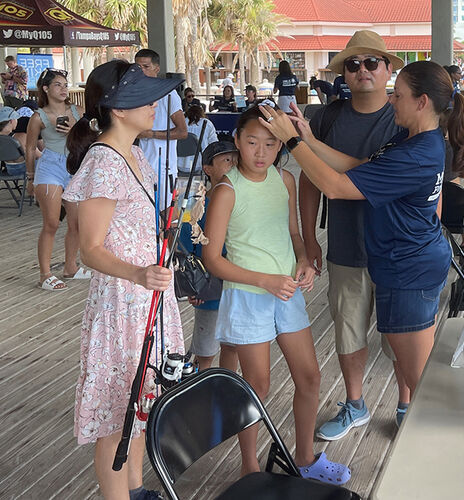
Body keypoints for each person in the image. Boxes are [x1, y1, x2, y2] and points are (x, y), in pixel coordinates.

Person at [264, 59, 464, 426]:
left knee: (419, 381)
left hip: (409, 268)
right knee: (413, 368)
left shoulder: (419, 152)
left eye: (399, 94)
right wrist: (312, 141)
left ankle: (441, 444)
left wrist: (293, 142)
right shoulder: (410, 137)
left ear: (422, 101)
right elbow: (359, 165)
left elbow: (335, 187)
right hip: (403, 263)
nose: (392, 100)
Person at [203, 106, 350, 484]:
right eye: (252, 142)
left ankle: (304, 458)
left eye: (270, 143)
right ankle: (249, 467)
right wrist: (264, 280)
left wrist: (303, 261)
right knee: (258, 386)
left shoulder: (284, 179)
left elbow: (295, 235)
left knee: (311, 377)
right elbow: (212, 260)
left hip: (286, 293)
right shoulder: (226, 189)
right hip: (249, 296)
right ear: (236, 141)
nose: (261, 152)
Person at [63, 59, 185, 500]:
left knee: (140, 403)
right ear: (116, 107)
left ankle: (135, 490)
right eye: (142, 97)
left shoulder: (135, 152)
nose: (154, 104)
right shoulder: (105, 160)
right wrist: (138, 272)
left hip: (147, 295)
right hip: (122, 302)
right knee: (116, 414)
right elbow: (90, 248)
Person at [298, 30, 410, 438]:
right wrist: (309, 239)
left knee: (400, 330)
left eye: (371, 63)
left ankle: (406, 403)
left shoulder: (404, 116)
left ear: (388, 70)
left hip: (398, 245)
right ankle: (355, 402)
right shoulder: (326, 117)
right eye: (352, 64)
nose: (362, 70)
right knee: (348, 326)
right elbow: (310, 180)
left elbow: (404, 175)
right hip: (346, 241)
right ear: (343, 73)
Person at [25, 68, 88, 291]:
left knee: (77, 222)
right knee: (51, 222)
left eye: (64, 84)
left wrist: (74, 130)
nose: (63, 89)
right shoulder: (38, 116)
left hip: (74, 166)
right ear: (46, 88)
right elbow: (30, 147)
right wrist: (31, 177)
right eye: (57, 85)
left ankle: (70, 267)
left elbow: (90, 137)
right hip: (50, 166)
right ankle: (45, 274)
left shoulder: (78, 111)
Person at [178, 140, 239, 371]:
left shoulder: (241, 200)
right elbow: (186, 247)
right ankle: (201, 391)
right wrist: (193, 288)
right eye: (226, 160)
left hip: (236, 288)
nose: (233, 164)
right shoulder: (195, 204)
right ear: (208, 169)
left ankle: (225, 388)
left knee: (232, 346)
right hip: (209, 292)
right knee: (205, 352)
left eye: (235, 159)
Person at [134, 49, 189, 212]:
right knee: (144, 214)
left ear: (157, 69)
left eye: (146, 67)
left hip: (163, 168)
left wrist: (150, 134)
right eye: (138, 67)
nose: (141, 71)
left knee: (165, 217)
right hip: (139, 164)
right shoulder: (134, 94)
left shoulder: (169, 94)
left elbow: (182, 132)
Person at [178, 104, 218, 173]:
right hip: (200, 164)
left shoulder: (181, 122)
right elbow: (214, 144)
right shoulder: (207, 123)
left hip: (180, 164)